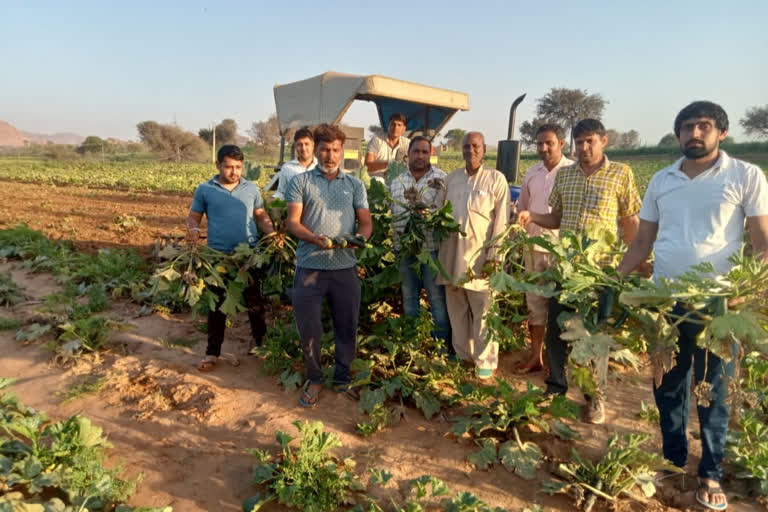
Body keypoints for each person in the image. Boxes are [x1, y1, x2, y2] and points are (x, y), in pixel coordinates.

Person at [617, 101, 768, 511]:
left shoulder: (744, 175)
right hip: (665, 303)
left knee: (714, 390)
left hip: (719, 305)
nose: (694, 134)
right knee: (666, 384)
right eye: (687, 127)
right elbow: (642, 241)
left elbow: (762, 243)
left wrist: (749, 289)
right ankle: (674, 459)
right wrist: (615, 280)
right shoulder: (663, 180)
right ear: (678, 134)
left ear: (721, 132)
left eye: (704, 126)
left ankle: (711, 471)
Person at [517, 118, 642, 424]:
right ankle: (556, 387)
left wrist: (636, 260)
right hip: (566, 268)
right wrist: (531, 215)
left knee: (594, 336)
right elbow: (556, 218)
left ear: (604, 141)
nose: (584, 148)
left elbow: (630, 222)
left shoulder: (620, 175)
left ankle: (595, 397)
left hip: (600, 271)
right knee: (559, 331)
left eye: (590, 141)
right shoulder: (566, 176)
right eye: (580, 142)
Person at [286, 123, 373, 408]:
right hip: (310, 265)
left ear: (342, 150)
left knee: (346, 325)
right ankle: (314, 378)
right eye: (324, 149)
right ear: (316, 149)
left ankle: (342, 378)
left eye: (335, 150)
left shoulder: (355, 185)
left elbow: (366, 223)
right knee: (309, 327)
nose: (330, 156)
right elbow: (293, 223)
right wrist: (314, 238)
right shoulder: (301, 182)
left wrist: (357, 240)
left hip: (344, 267)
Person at [186, 144, 275, 372]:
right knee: (217, 308)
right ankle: (212, 352)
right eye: (228, 167)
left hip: (249, 257)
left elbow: (261, 215)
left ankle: (262, 346)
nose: (234, 172)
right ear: (218, 165)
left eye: (238, 167)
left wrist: (272, 234)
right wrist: (194, 231)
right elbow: (193, 218)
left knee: (255, 304)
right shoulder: (205, 190)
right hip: (219, 259)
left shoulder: (252, 189)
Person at [438, 132, 510, 379]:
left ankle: (485, 361)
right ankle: (462, 355)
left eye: (476, 146)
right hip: (451, 256)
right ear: (462, 150)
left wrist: (495, 256)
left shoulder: (496, 180)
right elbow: (438, 213)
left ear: (484, 149)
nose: (471, 150)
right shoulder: (452, 179)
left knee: (484, 311)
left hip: (481, 259)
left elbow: (501, 222)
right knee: (456, 310)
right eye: (467, 146)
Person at [516, 123, 574, 373]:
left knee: (562, 306)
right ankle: (536, 356)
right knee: (535, 304)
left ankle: (558, 360)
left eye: (548, 143)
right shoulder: (531, 173)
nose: (543, 148)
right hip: (533, 249)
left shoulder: (573, 171)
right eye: (539, 143)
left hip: (563, 251)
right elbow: (523, 210)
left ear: (561, 143)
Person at [389, 136, 452, 347]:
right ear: (409, 153)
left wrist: (430, 214)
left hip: (431, 250)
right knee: (409, 298)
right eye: (416, 151)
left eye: (425, 152)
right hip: (404, 251)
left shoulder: (442, 179)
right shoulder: (397, 181)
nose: (420, 156)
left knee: (437, 300)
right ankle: (412, 343)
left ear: (430, 154)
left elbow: (447, 213)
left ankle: (440, 346)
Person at [273, 127, 317, 200]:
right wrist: (274, 199)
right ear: (295, 146)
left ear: (313, 145)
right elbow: (281, 192)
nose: (303, 148)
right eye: (299, 144)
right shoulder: (287, 168)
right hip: (293, 209)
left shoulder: (320, 167)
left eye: (306, 144)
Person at [365, 113, 410, 178]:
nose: (395, 127)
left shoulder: (408, 144)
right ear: (388, 126)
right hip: (377, 181)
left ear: (404, 129)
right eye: (393, 124)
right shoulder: (376, 141)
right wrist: (389, 165)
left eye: (399, 125)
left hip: (398, 183)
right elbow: (367, 166)